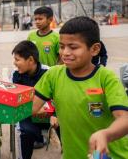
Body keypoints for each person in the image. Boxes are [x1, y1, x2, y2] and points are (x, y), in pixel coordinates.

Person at [32, 16, 128, 159]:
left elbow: (124, 119)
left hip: (111, 155)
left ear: (94, 49)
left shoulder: (106, 78)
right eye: (62, 46)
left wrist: (106, 134)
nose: (65, 53)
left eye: (73, 47)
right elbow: (30, 106)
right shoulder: (53, 75)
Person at [11, 40, 54, 159]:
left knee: (63, 123)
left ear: (30, 60)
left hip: (48, 115)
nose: (15, 63)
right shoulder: (15, 75)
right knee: (25, 132)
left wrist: (52, 113)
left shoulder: (48, 72)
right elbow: (15, 102)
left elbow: (56, 98)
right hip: (27, 115)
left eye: (17, 59)